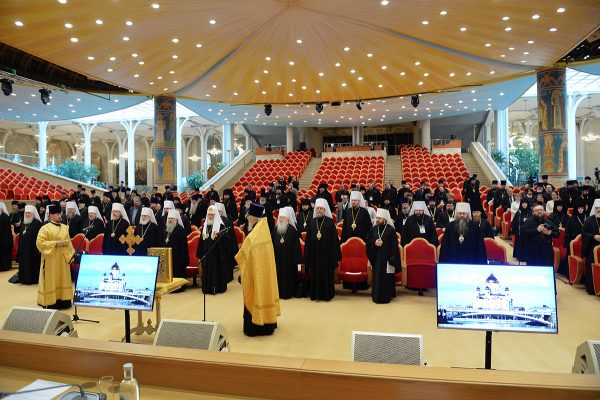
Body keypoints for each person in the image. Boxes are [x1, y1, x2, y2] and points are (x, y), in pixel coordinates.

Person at [235, 203, 280, 337]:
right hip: (256, 269)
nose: (247, 217)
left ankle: (257, 327)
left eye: (249, 215)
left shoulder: (257, 233)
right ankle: (266, 322)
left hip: (257, 271)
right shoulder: (260, 229)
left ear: (255, 217)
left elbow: (248, 250)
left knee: (257, 293)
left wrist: (240, 256)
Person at [36, 204, 75, 310]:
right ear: (51, 215)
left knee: (63, 279)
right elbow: (40, 243)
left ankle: (64, 301)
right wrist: (55, 243)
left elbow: (69, 243)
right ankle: (52, 302)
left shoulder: (65, 227)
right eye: (57, 214)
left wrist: (71, 255)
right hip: (51, 259)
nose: (59, 216)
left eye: (59, 214)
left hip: (63, 259)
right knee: (52, 280)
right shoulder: (44, 228)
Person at [304, 198, 341, 301]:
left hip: (326, 255)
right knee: (315, 275)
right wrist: (307, 256)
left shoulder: (329, 222)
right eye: (317, 208)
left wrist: (335, 257)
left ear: (325, 210)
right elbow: (308, 241)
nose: (319, 210)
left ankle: (327, 295)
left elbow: (334, 241)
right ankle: (315, 295)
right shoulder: (312, 222)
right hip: (314, 255)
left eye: (321, 208)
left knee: (326, 275)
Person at [366, 208, 401, 304]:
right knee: (377, 277)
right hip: (376, 258)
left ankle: (386, 296)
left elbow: (394, 246)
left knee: (386, 278)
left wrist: (392, 259)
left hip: (387, 259)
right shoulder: (373, 229)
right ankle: (376, 296)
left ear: (385, 219)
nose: (377, 220)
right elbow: (368, 242)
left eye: (379, 218)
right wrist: (374, 243)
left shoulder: (391, 230)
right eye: (377, 218)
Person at [197, 206, 230, 295]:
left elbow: (226, 241)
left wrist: (219, 236)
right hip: (206, 254)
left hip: (216, 254)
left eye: (212, 215)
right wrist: (200, 254)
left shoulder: (221, 226)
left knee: (216, 270)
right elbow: (201, 241)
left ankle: (218, 288)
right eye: (209, 215)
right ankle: (207, 288)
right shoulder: (205, 226)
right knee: (207, 270)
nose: (210, 217)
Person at [271, 207, 302, 299]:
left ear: (287, 219)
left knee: (288, 277)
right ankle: (278, 293)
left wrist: (295, 261)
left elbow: (296, 247)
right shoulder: (275, 230)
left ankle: (289, 293)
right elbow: (272, 244)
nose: (280, 219)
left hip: (289, 260)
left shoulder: (292, 230)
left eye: (282, 218)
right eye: (280, 217)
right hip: (277, 259)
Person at [17, 205, 43, 284]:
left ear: (33, 214)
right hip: (24, 248)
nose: (27, 214)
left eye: (29, 213)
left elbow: (39, 237)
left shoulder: (37, 223)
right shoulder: (24, 222)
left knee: (32, 264)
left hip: (33, 248)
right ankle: (23, 279)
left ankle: (32, 279)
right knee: (24, 263)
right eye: (26, 213)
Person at [163, 209, 190, 282]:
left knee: (178, 273)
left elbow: (183, 247)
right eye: (169, 218)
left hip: (178, 257)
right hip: (168, 256)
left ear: (176, 220)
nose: (170, 220)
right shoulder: (166, 229)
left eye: (172, 218)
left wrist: (182, 260)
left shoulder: (180, 230)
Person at [582, 199, 600, 294]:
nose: (598, 210)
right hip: (592, 247)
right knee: (592, 267)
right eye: (596, 208)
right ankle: (592, 288)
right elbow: (584, 233)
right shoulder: (590, 220)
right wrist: (594, 236)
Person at [511, 199, 531, 263]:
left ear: (527, 204)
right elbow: (514, 222)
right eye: (523, 204)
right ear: (521, 205)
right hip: (520, 233)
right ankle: (519, 256)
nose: (524, 205)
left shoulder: (531, 212)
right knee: (520, 244)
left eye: (525, 204)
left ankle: (528, 256)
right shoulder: (518, 213)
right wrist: (514, 231)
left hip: (529, 232)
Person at [0, 202, 13, 271]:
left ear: (1, 209)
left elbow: (6, 231)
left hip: (5, 239)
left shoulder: (5, 217)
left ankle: (5, 267)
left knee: (4, 254)